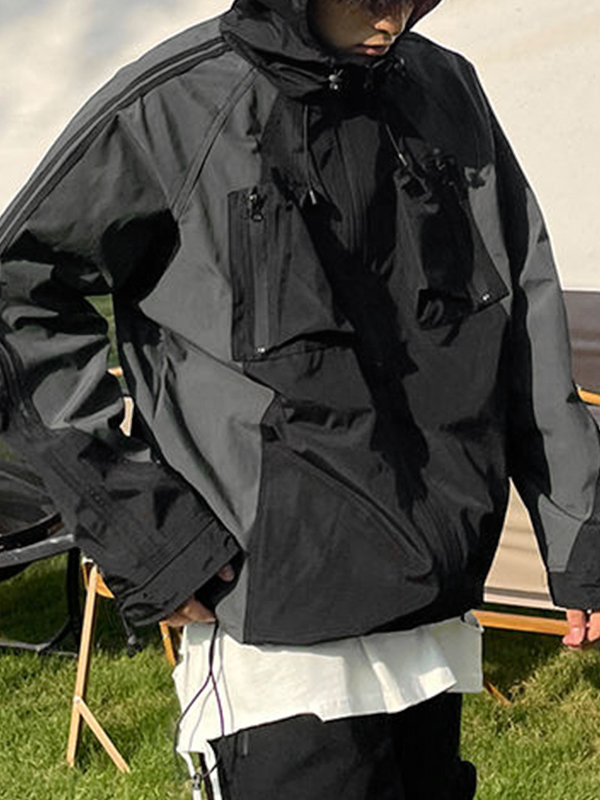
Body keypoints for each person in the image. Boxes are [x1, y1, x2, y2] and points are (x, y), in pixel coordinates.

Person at [1, 0, 599, 797]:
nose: (393, 18)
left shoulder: (445, 88)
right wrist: (153, 539)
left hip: (436, 612)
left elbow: (522, 308)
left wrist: (580, 535)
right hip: (273, 633)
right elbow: (17, 297)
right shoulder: (177, 106)